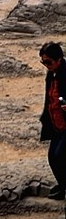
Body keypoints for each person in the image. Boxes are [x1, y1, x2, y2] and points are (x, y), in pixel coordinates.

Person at [39, 42, 66, 200]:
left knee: (60, 155)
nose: (46, 65)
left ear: (59, 59)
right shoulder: (51, 74)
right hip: (55, 123)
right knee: (53, 157)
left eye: (48, 62)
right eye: (43, 62)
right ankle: (62, 186)